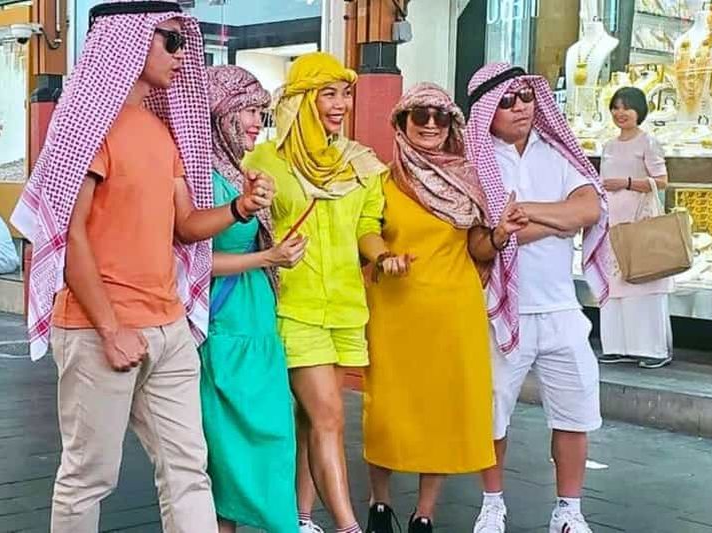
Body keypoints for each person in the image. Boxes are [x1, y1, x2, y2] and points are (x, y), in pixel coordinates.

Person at [10, 2, 273, 531]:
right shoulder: (85, 125)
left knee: (189, 471)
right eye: (170, 41)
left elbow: (186, 225)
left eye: (185, 42)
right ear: (127, 43)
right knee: (88, 477)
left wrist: (240, 208)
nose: (182, 55)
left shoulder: (161, 131)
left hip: (168, 328)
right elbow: (68, 237)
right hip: (98, 328)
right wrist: (111, 329)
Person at [243, 52, 407, 533]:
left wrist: (383, 257)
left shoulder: (359, 163)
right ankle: (347, 526)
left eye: (346, 94)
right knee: (330, 416)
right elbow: (244, 226)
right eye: (328, 94)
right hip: (293, 307)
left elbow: (366, 227)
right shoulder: (264, 161)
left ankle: (301, 519)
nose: (341, 104)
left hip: (347, 309)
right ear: (300, 99)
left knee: (313, 421)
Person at [362, 83, 527, 533]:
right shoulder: (382, 181)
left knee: (441, 412)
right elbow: (366, 229)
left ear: (452, 124)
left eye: (440, 116)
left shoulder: (466, 178)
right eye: (420, 115)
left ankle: (424, 514)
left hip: (454, 312)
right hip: (395, 311)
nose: (431, 124)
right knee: (387, 411)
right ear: (401, 124)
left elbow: (477, 246)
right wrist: (383, 256)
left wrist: (500, 234)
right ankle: (380, 505)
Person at [465, 63, 610, 533]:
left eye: (526, 96)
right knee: (492, 416)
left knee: (575, 413)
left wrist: (524, 214)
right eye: (506, 100)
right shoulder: (475, 161)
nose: (520, 107)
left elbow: (588, 209)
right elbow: (480, 241)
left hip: (561, 308)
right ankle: (492, 504)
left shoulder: (556, 151)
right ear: (487, 110)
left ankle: (569, 511)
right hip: (501, 309)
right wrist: (554, 221)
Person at [200, 64, 304, 533]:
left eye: (260, 112)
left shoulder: (238, 170)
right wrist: (269, 257)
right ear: (220, 113)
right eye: (247, 110)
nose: (255, 122)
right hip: (224, 328)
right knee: (229, 452)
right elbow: (193, 261)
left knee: (270, 438)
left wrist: (277, 253)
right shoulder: (201, 175)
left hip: (256, 324)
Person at [599, 87, 673, 369]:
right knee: (615, 282)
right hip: (613, 222)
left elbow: (661, 181)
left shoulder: (648, 142)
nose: (621, 113)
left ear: (639, 111)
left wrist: (627, 183)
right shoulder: (608, 145)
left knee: (644, 281)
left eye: (627, 107)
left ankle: (653, 349)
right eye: (616, 107)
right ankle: (617, 346)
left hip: (640, 221)